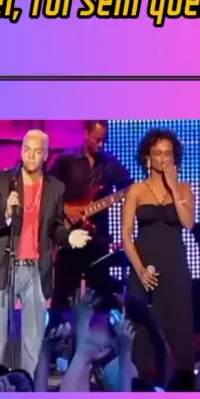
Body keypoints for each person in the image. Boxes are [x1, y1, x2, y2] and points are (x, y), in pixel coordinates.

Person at [0, 130, 90, 378]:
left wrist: (69, 238)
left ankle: (28, 388)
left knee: (34, 338)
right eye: (26, 150)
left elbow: (55, 227)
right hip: (4, 267)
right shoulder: (3, 181)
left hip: (37, 271)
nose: (30, 156)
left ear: (45, 155)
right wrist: (6, 215)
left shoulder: (55, 188)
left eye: (37, 151)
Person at [121, 129, 195, 385]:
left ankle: (179, 388)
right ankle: (142, 387)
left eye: (168, 154)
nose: (163, 159)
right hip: (144, 270)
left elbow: (188, 223)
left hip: (175, 268)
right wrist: (140, 270)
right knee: (143, 333)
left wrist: (174, 188)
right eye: (158, 153)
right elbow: (126, 236)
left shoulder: (184, 189)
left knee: (178, 329)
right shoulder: (136, 190)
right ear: (147, 157)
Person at [49, 120, 132, 312]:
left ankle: (102, 328)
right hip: (69, 235)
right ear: (86, 134)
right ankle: (58, 326)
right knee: (64, 292)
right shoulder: (66, 159)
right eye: (96, 139)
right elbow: (48, 191)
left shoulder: (110, 164)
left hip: (98, 237)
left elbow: (129, 187)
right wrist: (66, 209)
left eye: (104, 140)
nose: (100, 145)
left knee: (100, 293)